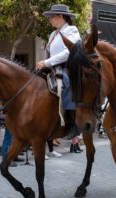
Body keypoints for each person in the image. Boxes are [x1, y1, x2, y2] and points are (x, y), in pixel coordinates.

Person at [36, 4, 81, 138]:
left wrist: (47, 62)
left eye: (52, 17)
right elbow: (49, 53)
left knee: (66, 84)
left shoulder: (72, 30)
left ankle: (72, 124)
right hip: (52, 67)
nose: (50, 20)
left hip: (67, 67)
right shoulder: (53, 34)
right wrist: (43, 64)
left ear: (61, 17)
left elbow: (69, 51)